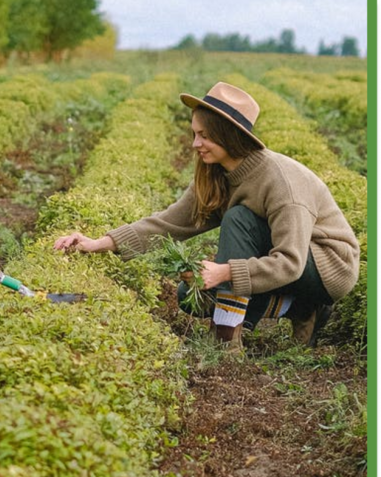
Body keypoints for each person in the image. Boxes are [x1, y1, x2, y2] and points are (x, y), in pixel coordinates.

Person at [54, 82, 359, 350]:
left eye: (204, 136)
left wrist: (225, 272)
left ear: (229, 136)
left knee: (238, 219)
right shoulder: (217, 174)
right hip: (284, 262)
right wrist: (99, 243)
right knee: (190, 295)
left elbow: (291, 262)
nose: (195, 144)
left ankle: (226, 339)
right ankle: (301, 309)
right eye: (194, 134)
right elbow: (169, 223)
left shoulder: (281, 183)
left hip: (325, 265)